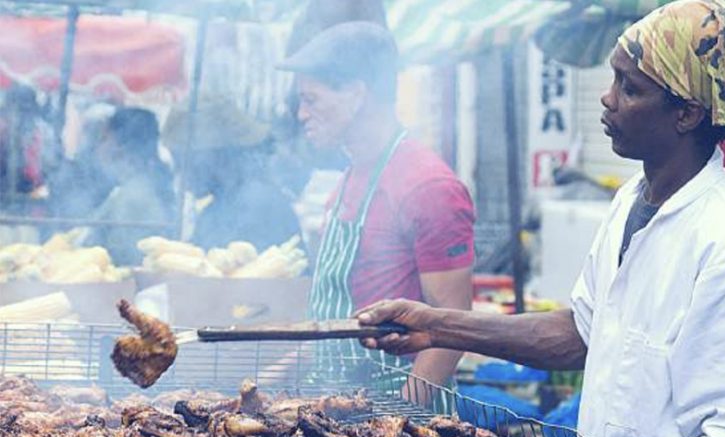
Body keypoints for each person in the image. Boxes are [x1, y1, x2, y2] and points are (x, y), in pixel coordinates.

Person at [358, 0, 725, 437]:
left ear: (686, 113)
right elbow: (579, 335)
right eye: (612, 80)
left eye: (631, 88)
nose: (607, 99)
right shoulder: (630, 201)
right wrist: (436, 326)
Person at [277, 22, 476, 388]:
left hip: (398, 420)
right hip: (338, 406)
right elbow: (338, 319)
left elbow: (453, 328)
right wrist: (269, 379)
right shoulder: (348, 180)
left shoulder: (429, 187)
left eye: (311, 99)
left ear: (355, 94)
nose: (301, 114)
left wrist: (400, 422)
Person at [163, 98, 303, 251]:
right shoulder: (215, 209)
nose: (179, 173)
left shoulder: (256, 202)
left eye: (183, 162)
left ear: (218, 157)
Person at [84, 107, 176, 265]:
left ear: (121, 147)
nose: (98, 147)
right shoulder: (138, 186)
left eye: (104, 139)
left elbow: (128, 257)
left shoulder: (134, 197)